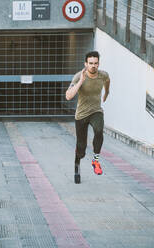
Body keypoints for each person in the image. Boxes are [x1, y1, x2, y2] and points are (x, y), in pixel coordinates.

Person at [65, 51, 110, 183]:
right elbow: (68, 96)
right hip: (81, 115)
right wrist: (81, 82)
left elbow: (107, 81)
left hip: (96, 111)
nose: (93, 66)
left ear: (98, 64)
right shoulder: (78, 76)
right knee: (81, 147)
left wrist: (107, 93)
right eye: (90, 63)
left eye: (96, 63)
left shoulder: (103, 75)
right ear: (86, 64)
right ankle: (77, 166)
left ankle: (96, 161)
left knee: (99, 131)